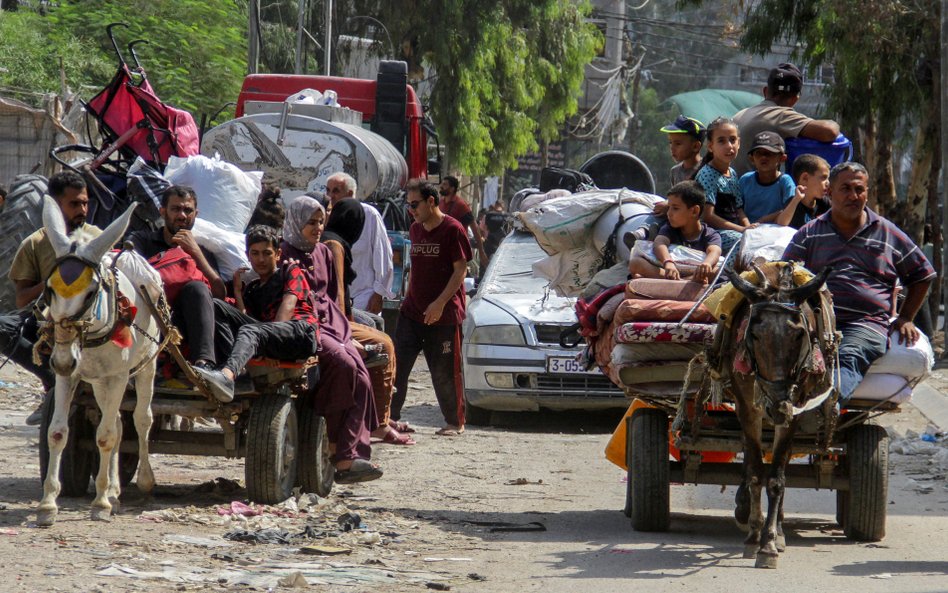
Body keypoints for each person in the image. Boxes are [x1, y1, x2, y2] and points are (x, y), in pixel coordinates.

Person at [194, 225, 383, 483]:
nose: (261, 259)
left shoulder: (290, 271)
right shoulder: (252, 288)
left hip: (298, 333)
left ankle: (227, 374)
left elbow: (289, 304)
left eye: (266, 253)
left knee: (254, 332)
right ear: (248, 256)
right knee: (218, 306)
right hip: (269, 334)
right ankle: (225, 368)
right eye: (255, 253)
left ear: (278, 254)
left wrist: (271, 338)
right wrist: (237, 293)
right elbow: (247, 320)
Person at [782, 162, 935, 403]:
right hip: (815, 320)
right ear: (829, 192)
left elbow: (923, 274)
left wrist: (906, 317)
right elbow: (785, 274)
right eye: (845, 188)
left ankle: (824, 407)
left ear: (867, 193)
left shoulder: (887, 232)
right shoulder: (809, 233)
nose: (853, 196)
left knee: (848, 357)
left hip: (865, 324)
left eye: (859, 189)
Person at [282, 196, 413, 446]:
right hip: (318, 324)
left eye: (321, 221)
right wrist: (346, 336)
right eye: (312, 222)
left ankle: (374, 423)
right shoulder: (323, 248)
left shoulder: (321, 250)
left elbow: (331, 297)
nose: (318, 228)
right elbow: (337, 300)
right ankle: (372, 427)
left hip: (331, 320)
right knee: (369, 353)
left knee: (377, 333)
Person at [2, 171, 101, 425]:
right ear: (55, 207)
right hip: (46, 321)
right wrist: (51, 284)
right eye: (74, 204)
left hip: (88, 321)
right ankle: (52, 378)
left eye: (85, 203)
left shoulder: (97, 239)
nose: (82, 209)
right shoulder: (35, 243)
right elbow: (22, 300)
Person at [391, 179, 473, 436]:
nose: (411, 211)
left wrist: (439, 303)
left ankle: (454, 422)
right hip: (412, 312)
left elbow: (461, 270)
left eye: (415, 205)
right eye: (408, 206)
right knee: (397, 367)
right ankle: (389, 419)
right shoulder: (416, 229)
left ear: (431, 201)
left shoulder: (453, 229)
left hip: (444, 315)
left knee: (444, 372)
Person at [128, 186, 225, 369]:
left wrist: (195, 252)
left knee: (197, 288)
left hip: (184, 326)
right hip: (144, 321)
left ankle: (204, 365)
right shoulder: (143, 241)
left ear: (196, 214)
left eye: (188, 210)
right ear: (162, 212)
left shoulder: (203, 252)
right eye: (175, 209)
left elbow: (219, 294)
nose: (182, 216)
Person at [732, 62, 841, 175]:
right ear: (795, 99)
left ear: (765, 91)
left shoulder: (740, 114)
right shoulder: (781, 115)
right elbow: (829, 132)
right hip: (753, 191)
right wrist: (835, 123)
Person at [324, 172, 394, 315]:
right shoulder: (324, 215)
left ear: (349, 193)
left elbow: (383, 255)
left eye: (336, 191)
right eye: (328, 190)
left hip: (364, 297)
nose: (331, 195)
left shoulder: (368, 214)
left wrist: (379, 293)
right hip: (336, 297)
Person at [628, 181, 721, 284]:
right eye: (669, 208)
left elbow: (714, 252)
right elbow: (660, 243)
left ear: (694, 211)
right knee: (635, 263)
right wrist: (668, 262)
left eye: (675, 208)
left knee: (717, 271)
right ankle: (685, 283)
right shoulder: (669, 228)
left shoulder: (710, 234)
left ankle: (673, 283)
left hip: (694, 273)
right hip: (669, 272)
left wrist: (707, 264)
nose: (669, 213)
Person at [694, 117, 754, 256]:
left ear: (739, 143)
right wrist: (740, 230)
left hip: (733, 230)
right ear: (710, 146)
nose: (729, 146)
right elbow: (708, 216)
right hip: (713, 233)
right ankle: (726, 276)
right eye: (721, 141)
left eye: (733, 140)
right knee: (742, 244)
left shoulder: (732, 173)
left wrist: (749, 228)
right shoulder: (708, 175)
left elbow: (739, 209)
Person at [738, 131, 796, 223]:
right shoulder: (745, 180)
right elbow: (738, 208)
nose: (763, 157)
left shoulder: (785, 181)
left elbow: (791, 209)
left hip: (776, 230)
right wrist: (747, 225)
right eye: (758, 153)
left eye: (769, 153)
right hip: (748, 230)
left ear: (782, 158)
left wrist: (764, 220)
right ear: (752, 158)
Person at [439, 175, 488, 270]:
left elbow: (474, 229)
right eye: (442, 183)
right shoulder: (440, 203)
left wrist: (481, 252)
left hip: (457, 250)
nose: (441, 186)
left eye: (445, 184)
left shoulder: (461, 205)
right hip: (443, 248)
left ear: (452, 189)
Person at [774, 154, 831, 228]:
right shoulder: (794, 203)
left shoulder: (824, 203)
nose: (828, 183)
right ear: (805, 178)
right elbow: (781, 223)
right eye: (823, 178)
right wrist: (796, 200)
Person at [661, 115, 706, 186]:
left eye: (678, 143)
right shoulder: (675, 172)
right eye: (670, 142)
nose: (672, 148)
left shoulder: (706, 172)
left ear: (695, 146)